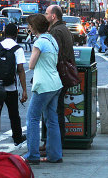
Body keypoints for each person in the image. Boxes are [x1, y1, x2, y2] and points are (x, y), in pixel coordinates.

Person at [23, 14, 63, 164]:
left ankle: (33, 155)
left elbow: (31, 65)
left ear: (34, 27)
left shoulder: (39, 42)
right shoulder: (52, 40)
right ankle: (55, 155)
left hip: (43, 85)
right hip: (55, 83)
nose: (28, 28)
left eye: (30, 26)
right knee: (52, 120)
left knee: (32, 118)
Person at [0, 23, 27, 146]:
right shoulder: (18, 49)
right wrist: (24, 90)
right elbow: (20, 70)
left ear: (4, 33)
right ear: (16, 34)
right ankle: (17, 137)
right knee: (14, 113)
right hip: (11, 87)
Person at [44, 5, 76, 152]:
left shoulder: (56, 31)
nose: (45, 16)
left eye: (46, 13)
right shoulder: (64, 28)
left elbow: (55, 54)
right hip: (63, 75)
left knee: (54, 110)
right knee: (57, 109)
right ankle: (55, 143)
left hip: (57, 75)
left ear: (53, 16)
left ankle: (54, 144)